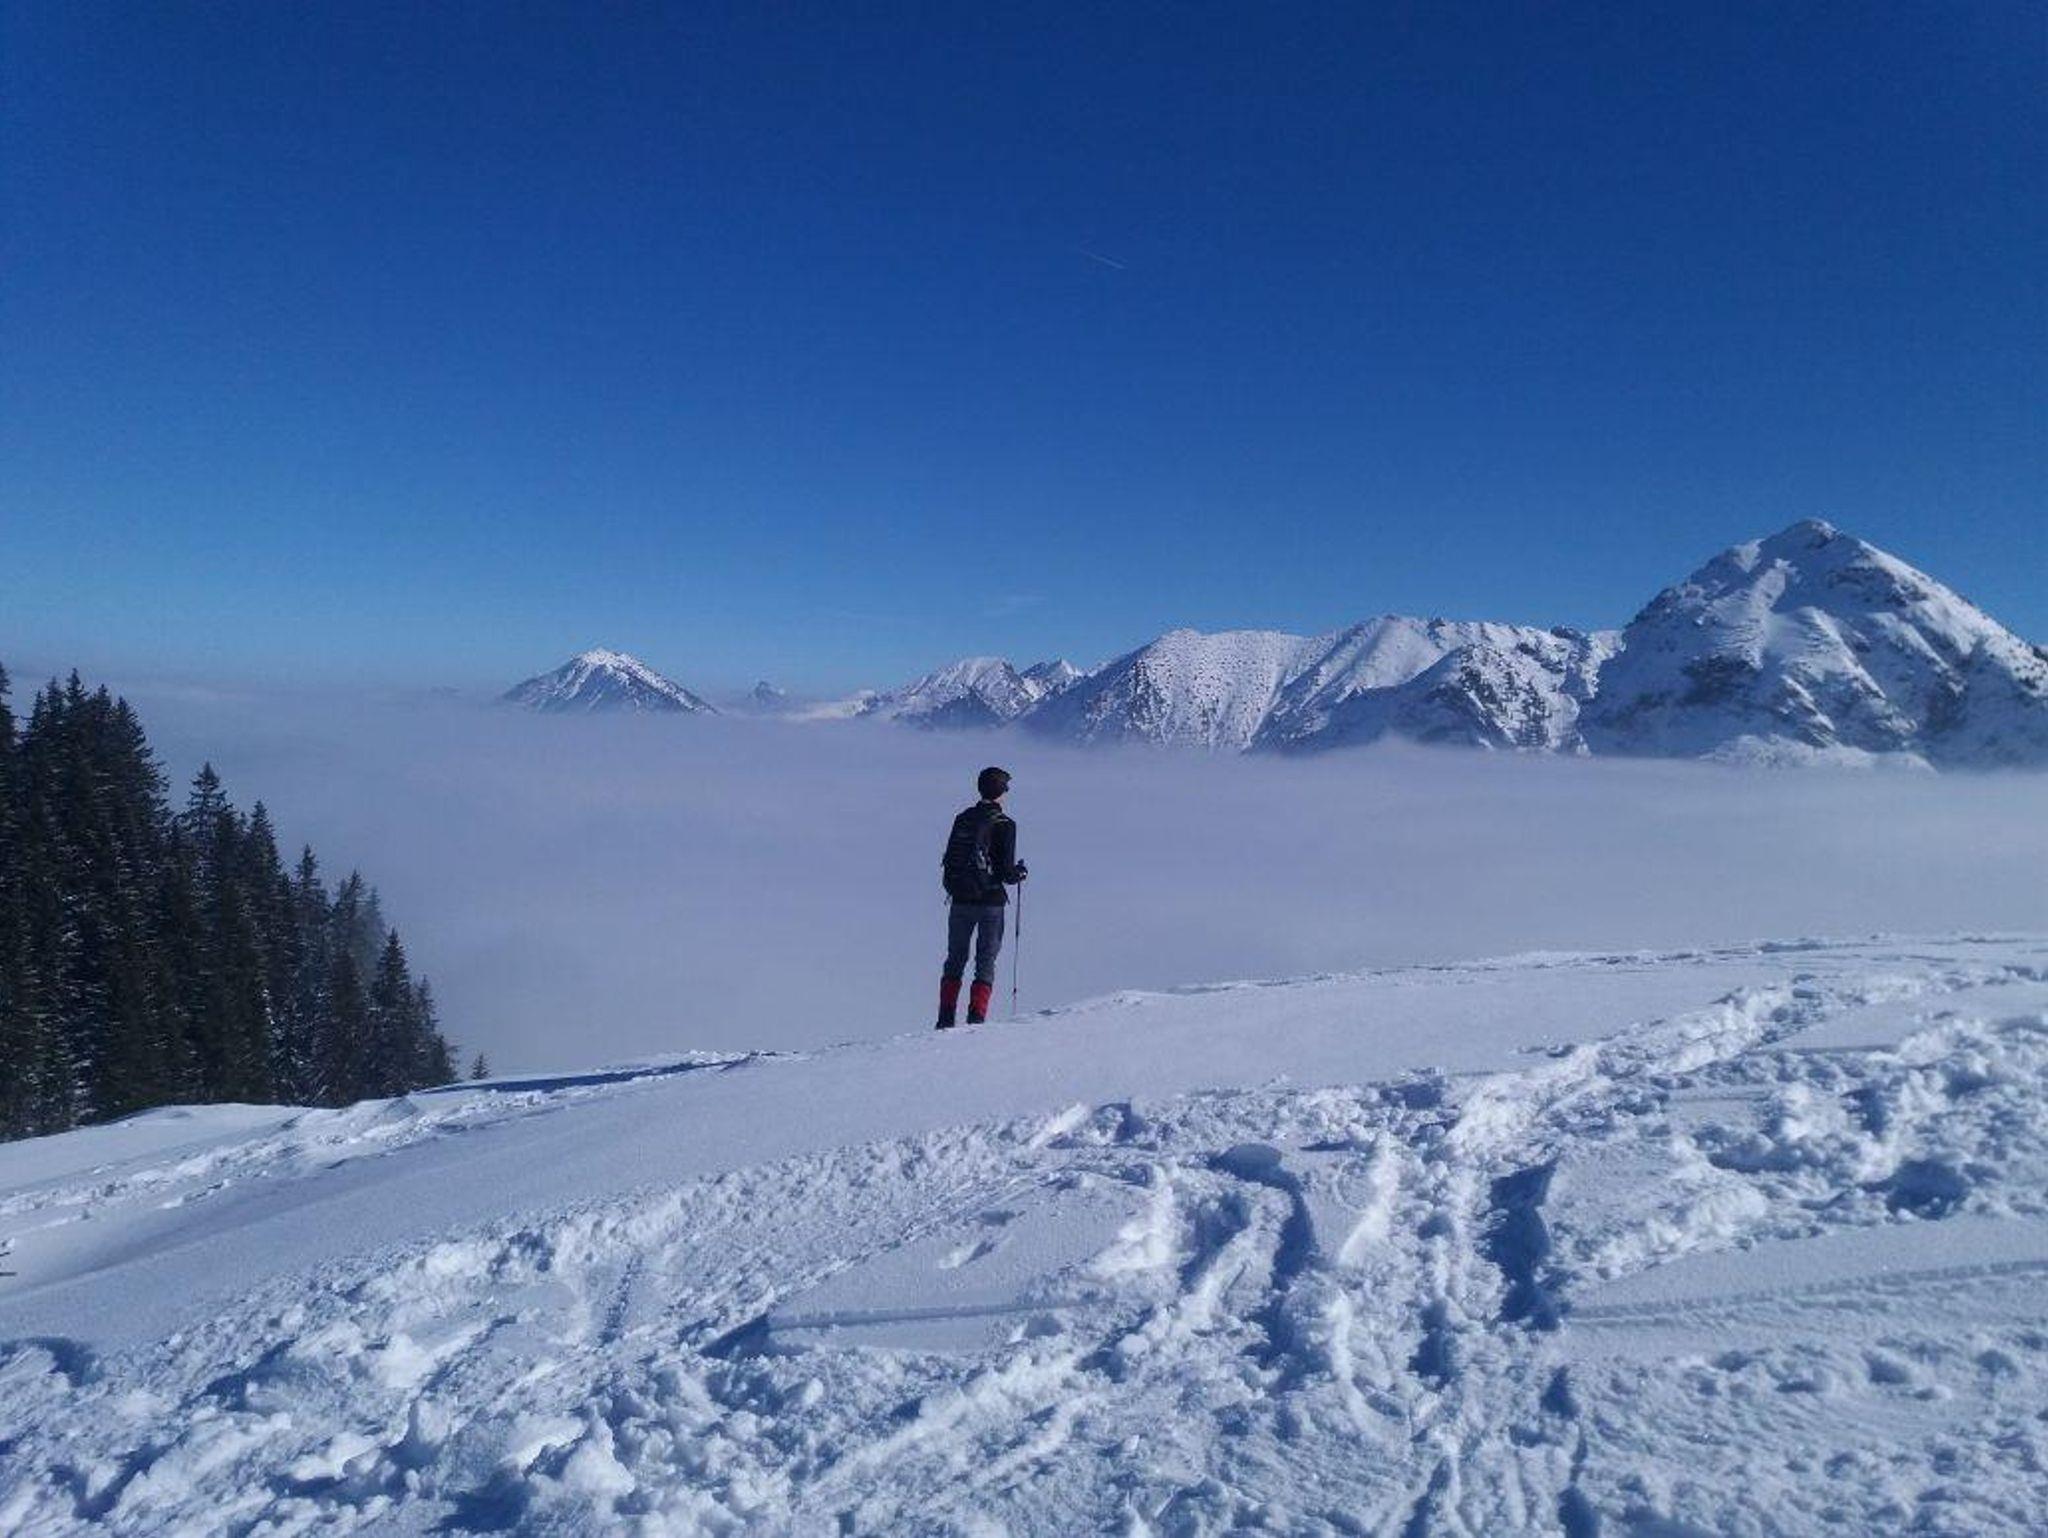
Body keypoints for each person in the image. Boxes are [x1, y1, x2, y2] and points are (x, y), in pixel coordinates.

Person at [936, 765, 1027, 1028]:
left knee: (955, 958)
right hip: (990, 901)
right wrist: (1020, 873)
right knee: (985, 961)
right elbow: (1006, 872)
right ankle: (976, 1020)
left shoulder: (962, 818)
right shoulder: (1005, 824)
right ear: (1002, 792)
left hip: (960, 898)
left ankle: (945, 1019)